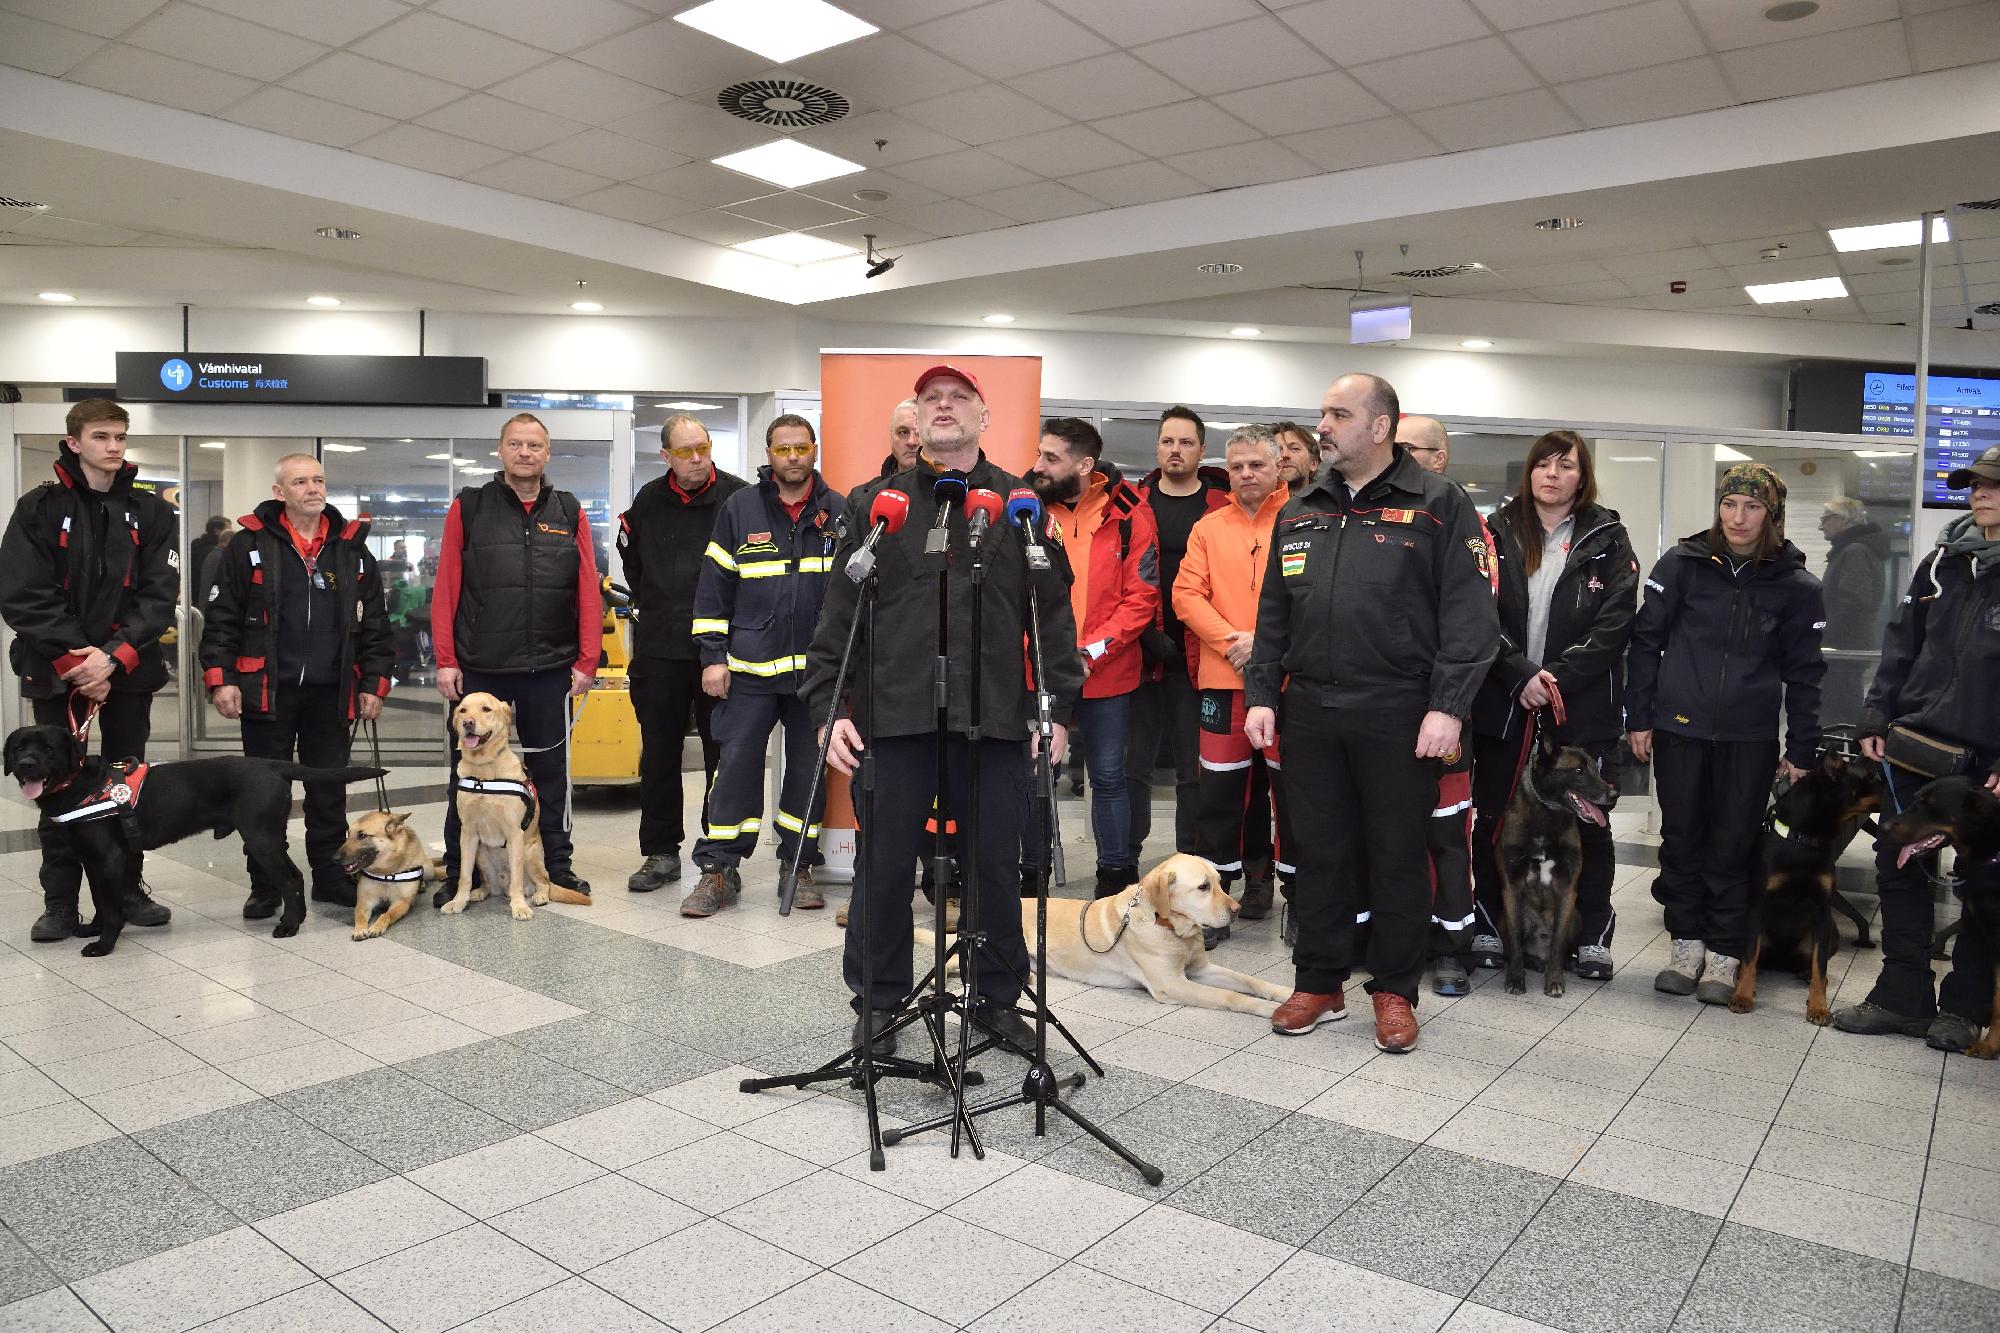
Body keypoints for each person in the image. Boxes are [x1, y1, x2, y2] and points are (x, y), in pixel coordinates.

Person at [805, 364, 1082, 1055]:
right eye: (933, 400)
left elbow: (1052, 617)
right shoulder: (875, 505)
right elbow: (838, 617)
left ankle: (993, 1001)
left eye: (959, 398)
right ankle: (878, 1004)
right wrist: (830, 705)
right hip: (893, 719)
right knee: (885, 866)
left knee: (994, 866)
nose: (945, 407)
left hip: (992, 720)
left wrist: (1058, 709)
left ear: (984, 417)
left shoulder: (1020, 505)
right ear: (917, 419)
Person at [1245, 374, 1499, 1054]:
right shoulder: (1301, 508)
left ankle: (1393, 990)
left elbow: (1471, 619)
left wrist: (1447, 708)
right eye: (1323, 411)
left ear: (1381, 426)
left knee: (1395, 855)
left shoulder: (1439, 504)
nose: (1322, 425)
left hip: (1400, 709)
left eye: (1338, 413)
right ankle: (1320, 980)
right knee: (1319, 851)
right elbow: (1273, 612)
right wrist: (1263, 693)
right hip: (1312, 711)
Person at [1626, 462, 1825, 1004]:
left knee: (1733, 846)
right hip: (1679, 728)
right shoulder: (1684, 564)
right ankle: (1686, 944)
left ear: (1772, 515)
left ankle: (1723, 953)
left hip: (1750, 736)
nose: (1738, 517)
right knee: (1682, 838)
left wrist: (1801, 747)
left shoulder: (1797, 586)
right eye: (1730, 504)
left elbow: (1806, 674)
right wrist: (1638, 717)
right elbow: (1646, 643)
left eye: (1752, 507)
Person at [1834, 444, 2000, 1049]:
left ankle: (1964, 1007)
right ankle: (1903, 994)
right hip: (1916, 746)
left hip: (1987, 762)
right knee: (1898, 860)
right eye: (1974, 485)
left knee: (1984, 883)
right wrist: (1876, 714)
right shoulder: (1941, 563)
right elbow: (1900, 645)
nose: (1980, 494)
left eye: (1992, 485)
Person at [1468, 431, 1638, 988]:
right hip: (1506, 699)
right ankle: (1492, 926)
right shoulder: (1494, 532)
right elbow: (1473, 613)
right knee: (1493, 819)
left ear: (1582, 477)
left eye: (1566, 466)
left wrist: (1556, 680)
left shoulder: (1608, 537)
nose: (1552, 474)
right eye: (1543, 464)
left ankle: (1590, 937)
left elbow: (1615, 622)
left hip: (1581, 706)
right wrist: (1521, 674)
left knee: (1589, 822)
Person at [0, 398, 175, 940]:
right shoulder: (39, 508)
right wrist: (80, 661)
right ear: (74, 442)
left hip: (128, 671)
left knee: (124, 786)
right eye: (102, 437)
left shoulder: (152, 512)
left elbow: (158, 597)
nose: (114, 447)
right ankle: (59, 903)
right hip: (57, 672)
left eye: (120, 436)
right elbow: (24, 595)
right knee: (54, 787)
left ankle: (125, 890)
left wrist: (112, 658)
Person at [200, 454, 395, 911]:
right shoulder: (248, 545)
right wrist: (221, 679)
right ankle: (266, 885)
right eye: (301, 481)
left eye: (319, 480)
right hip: (267, 692)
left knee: (328, 793)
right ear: (279, 492)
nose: (313, 488)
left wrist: (374, 683)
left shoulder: (351, 547)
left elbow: (378, 627)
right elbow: (221, 618)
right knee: (263, 797)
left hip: (332, 694)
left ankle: (330, 878)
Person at [432, 413, 601, 901]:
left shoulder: (569, 511)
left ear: (547, 454)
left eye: (534, 445)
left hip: (550, 668)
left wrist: (587, 660)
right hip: (482, 666)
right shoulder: (469, 506)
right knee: (467, 774)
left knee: (550, 775)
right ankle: (463, 873)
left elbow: (586, 588)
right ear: (501, 451)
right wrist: (447, 658)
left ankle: (556, 867)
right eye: (515, 444)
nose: (524, 452)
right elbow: (447, 586)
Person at [682, 415, 844, 916]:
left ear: (815, 449)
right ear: (769, 453)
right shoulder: (740, 507)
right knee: (734, 769)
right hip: (749, 670)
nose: (792, 457)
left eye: (801, 447)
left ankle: (799, 866)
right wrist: (712, 657)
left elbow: (849, 597)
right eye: (782, 449)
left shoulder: (838, 510)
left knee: (808, 774)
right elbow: (714, 588)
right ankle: (718, 869)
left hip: (814, 678)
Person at [1028, 417, 1159, 898]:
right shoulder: (1025, 511)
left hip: (1108, 672)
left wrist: (1092, 651)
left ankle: (1114, 879)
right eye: (1040, 454)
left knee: (1108, 777)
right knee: (1037, 773)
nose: (1038, 466)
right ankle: (1029, 874)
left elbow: (1141, 598)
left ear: (1084, 465)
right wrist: (1045, 653)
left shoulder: (1131, 513)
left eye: (1051, 458)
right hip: (1038, 668)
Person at [619, 414, 748, 894]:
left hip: (722, 652)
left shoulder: (737, 498)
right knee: (659, 756)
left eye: (704, 448)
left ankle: (721, 857)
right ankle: (660, 852)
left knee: (725, 756)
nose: (697, 459)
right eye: (686, 451)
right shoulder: (648, 501)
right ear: (666, 456)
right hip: (659, 650)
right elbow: (636, 568)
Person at [1174, 425, 1292, 934]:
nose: (1246, 474)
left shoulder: (1307, 520)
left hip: (1290, 685)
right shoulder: (1209, 527)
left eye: (1257, 465)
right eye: (1238, 466)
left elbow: (1315, 600)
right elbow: (1185, 595)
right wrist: (1232, 642)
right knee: (1220, 799)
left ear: (1278, 467)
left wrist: (1264, 644)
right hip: (1224, 683)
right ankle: (1213, 909)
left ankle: (1301, 904)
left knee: (1293, 799)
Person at [1395, 412, 1488, 986]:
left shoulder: (1462, 519)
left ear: (1439, 458)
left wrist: (1448, 705)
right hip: (1387, 707)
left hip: (1446, 707)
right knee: (1390, 834)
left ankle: (1454, 944)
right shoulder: (1380, 514)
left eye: (1412, 447)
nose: (1400, 455)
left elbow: (1473, 622)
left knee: (1446, 833)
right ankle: (1391, 942)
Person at [1126, 406, 1230, 869]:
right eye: (1168, 441)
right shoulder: (1132, 503)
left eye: (1186, 442)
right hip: (1140, 652)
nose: (1176, 449)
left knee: (1194, 772)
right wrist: (1145, 630)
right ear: (1158, 447)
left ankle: (1192, 862)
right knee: (1134, 769)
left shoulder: (1220, 506)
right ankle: (1124, 858)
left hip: (1199, 656)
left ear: (1201, 450)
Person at [1817, 495, 1889, 726]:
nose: (1821, 526)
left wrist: (1822, 632)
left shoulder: (1855, 551)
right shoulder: (1856, 550)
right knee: (1841, 713)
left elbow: (1853, 603)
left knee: (1838, 718)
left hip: (1842, 650)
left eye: (1826, 519)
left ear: (1844, 520)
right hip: (1845, 649)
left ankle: (1837, 760)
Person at [190, 515, 231, 601]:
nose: (229, 533)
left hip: (192, 594)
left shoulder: (196, 546)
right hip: (209, 598)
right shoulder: (216, 553)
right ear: (217, 530)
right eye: (227, 530)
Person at [880, 397, 921, 476]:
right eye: (903, 432)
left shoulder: (949, 487)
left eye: (920, 432)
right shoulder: (872, 488)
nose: (911, 442)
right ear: (891, 438)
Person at [1273, 421, 1320, 489]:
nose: (1284, 455)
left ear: (1313, 463)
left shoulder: (1331, 498)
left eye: (1295, 448)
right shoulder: (1255, 498)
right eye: (1277, 451)